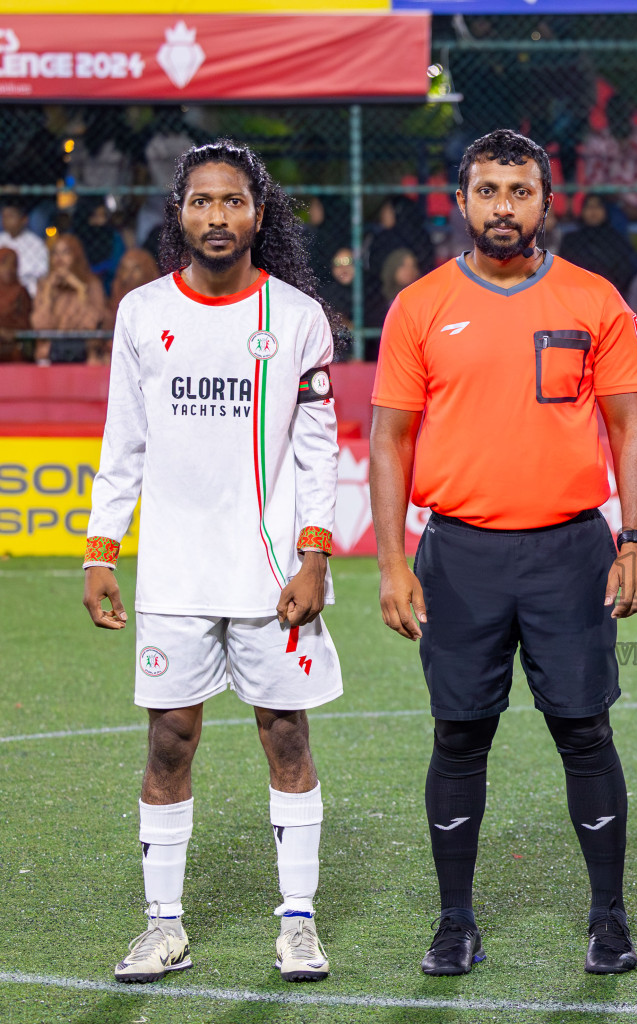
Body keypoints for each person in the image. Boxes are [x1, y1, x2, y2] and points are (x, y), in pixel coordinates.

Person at [369, 129, 637, 977]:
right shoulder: (419, 305)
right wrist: (391, 563)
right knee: (459, 737)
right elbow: (389, 441)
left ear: (545, 202)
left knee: (584, 731)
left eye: (519, 191)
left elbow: (631, 424)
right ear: (462, 202)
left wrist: (634, 540)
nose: (504, 206)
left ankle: (608, 918)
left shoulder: (594, 299)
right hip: (459, 556)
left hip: (572, 550)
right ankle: (455, 922)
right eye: (488, 191)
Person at [82, 139, 344, 986]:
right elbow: (123, 441)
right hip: (175, 575)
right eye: (202, 201)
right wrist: (100, 549)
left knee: (286, 734)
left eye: (233, 202)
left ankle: (298, 922)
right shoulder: (141, 312)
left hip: (273, 579)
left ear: (258, 215)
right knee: (168, 741)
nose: (217, 216)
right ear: (181, 213)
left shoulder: (297, 318)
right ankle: (165, 926)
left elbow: (316, 452)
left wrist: (314, 557)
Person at [31, 233, 108, 365]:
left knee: (95, 358)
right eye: (55, 253)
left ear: (76, 256)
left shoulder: (91, 283)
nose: (59, 259)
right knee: (42, 352)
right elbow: (40, 326)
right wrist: (48, 294)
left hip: (84, 345)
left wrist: (80, 290)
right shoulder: (44, 285)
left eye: (65, 253)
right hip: (54, 347)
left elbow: (90, 325)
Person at [561, 194, 637, 295]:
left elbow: (625, 271)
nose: (593, 211)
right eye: (589, 206)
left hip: (610, 294)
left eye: (598, 206)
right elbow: (565, 271)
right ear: (582, 211)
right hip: (578, 293)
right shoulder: (570, 240)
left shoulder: (617, 240)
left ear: (605, 211)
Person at [104, 248, 160, 365]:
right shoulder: (117, 289)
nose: (128, 275)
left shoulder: (158, 296)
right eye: (124, 269)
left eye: (136, 268)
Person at [0, 202, 48, 296]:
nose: (6, 221)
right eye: (4, 217)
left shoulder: (36, 244)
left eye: (11, 216)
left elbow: (42, 273)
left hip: (27, 290)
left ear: (24, 219)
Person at [0, 248, 33, 362]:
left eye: (13, 265)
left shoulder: (20, 292)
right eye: (3, 263)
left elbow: (26, 323)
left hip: (14, 346)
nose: (9, 269)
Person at [317, 248, 356, 330]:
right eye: (337, 264)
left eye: (348, 262)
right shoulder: (325, 293)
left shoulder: (371, 292)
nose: (343, 269)